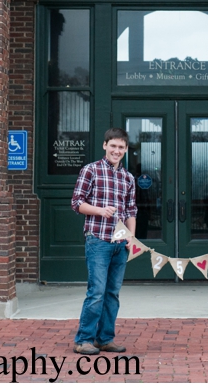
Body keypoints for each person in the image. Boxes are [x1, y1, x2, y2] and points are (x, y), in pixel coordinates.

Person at [70, 127, 138, 355]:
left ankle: (105, 338)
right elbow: (77, 203)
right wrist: (100, 211)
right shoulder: (90, 170)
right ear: (105, 146)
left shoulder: (128, 177)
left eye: (121, 147)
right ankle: (84, 340)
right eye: (113, 146)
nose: (116, 151)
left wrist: (131, 237)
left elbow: (131, 210)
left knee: (112, 294)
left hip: (120, 244)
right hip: (98, 239)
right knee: (97, 291)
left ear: (126, 149)